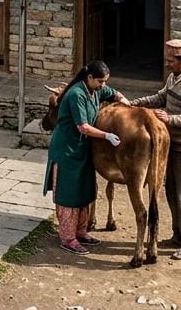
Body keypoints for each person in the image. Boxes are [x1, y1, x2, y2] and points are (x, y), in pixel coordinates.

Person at [128, 39, 181, 260]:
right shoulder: (174, 78)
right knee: (172, 192)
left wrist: (170, 118)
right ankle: (177, 236)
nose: (167, 64)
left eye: (171, 61)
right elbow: (161, 97)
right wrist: (135, 104)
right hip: (170, 144)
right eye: (166, 60)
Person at [42, 60, 131, 255]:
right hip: (67, 150)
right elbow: (82, 126)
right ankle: (68, 238)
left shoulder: (96, 90)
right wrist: (106, 135)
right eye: (100, 81)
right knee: (68, 194)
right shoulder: (76, 94)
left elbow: (112, 93)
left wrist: (124, 101)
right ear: (89, 77)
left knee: (84, 190)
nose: (103, 85)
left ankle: (81, 232)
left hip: (83, 149)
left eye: (105, 81)